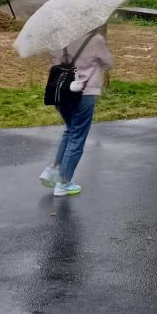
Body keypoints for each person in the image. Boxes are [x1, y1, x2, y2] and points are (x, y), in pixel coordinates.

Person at [40, 25, 112, 197]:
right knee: (77, 137)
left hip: (61, 93)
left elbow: (53, 64)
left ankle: (54, 170)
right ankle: (63, 183)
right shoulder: (95, 40)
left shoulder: (58, 40)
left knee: (69, 131)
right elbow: (108, 63)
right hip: (84, 93)